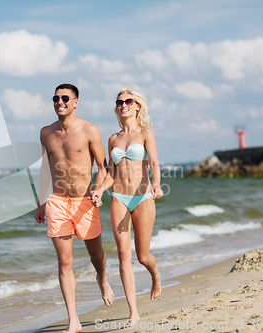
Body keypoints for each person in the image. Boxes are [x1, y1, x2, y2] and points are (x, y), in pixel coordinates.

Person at [35, 83, 114, 333]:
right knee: (64, 261)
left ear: (76, 102)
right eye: (56, 98)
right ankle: (74, 321)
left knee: (96, 256)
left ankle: (102, 279)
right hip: (57, 202)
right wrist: (40, 202)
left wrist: (99, 191)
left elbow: (104, 168)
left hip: (85, 201)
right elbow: (46, 168)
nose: (60, 101)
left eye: (65, 98)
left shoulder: (89, 129)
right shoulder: (46, 133)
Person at [91, 85, 163, 327]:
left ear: (137, 106)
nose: (124, 105)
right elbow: (110, 174)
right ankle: (134, 311)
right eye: (120, 102)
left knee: (142, 257)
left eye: (129, 101)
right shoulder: (113, 139)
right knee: (123, 254)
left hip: (142, 197)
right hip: (119, 197)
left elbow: (154, 163)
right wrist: (100, 189)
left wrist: (157, 185)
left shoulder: (145, 134)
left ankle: (155, 275)